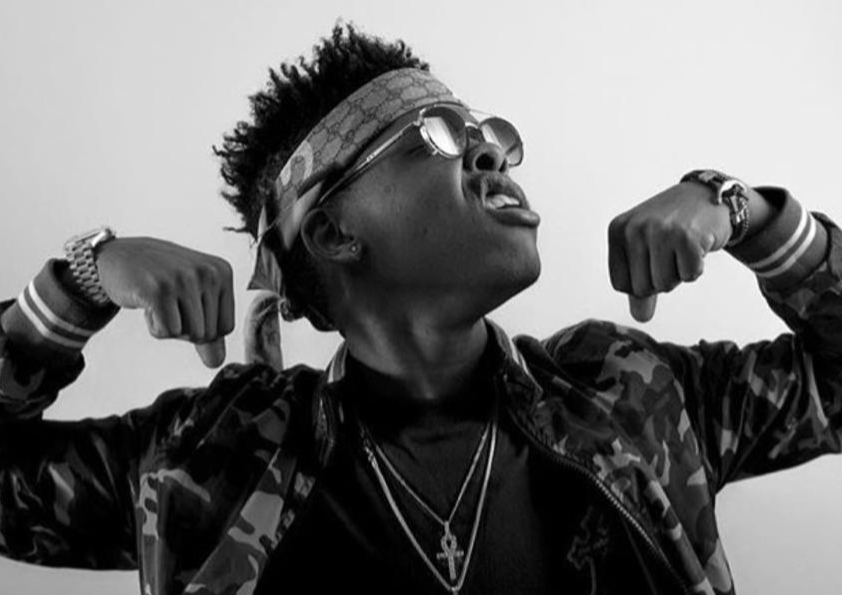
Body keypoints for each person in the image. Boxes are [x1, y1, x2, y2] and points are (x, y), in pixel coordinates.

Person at [0, 23, 839, 595]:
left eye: (487, 135)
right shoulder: (205, 460)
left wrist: (747, 212)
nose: (489, 154)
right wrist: (79, 281)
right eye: (434, 136)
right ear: (333, 232)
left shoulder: (630, 394)